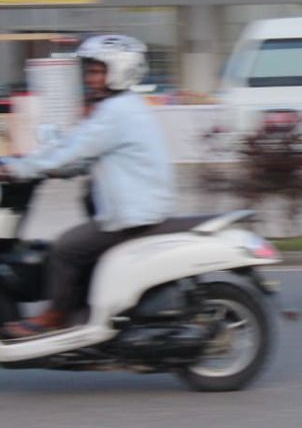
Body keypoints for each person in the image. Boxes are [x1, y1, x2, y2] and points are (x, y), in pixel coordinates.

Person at [0, 35, 174, 338]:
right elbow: (78, 156)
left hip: (129, 217)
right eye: (90, 71)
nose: (90, 79)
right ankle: (79, 308)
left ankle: (56, 317)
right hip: (132, 211)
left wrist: (14, 168)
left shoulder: (116, 112)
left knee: (65, 249)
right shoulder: (120, 108)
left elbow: (71, 151)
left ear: (119, 71)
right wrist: (40, 165)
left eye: (97, 72)